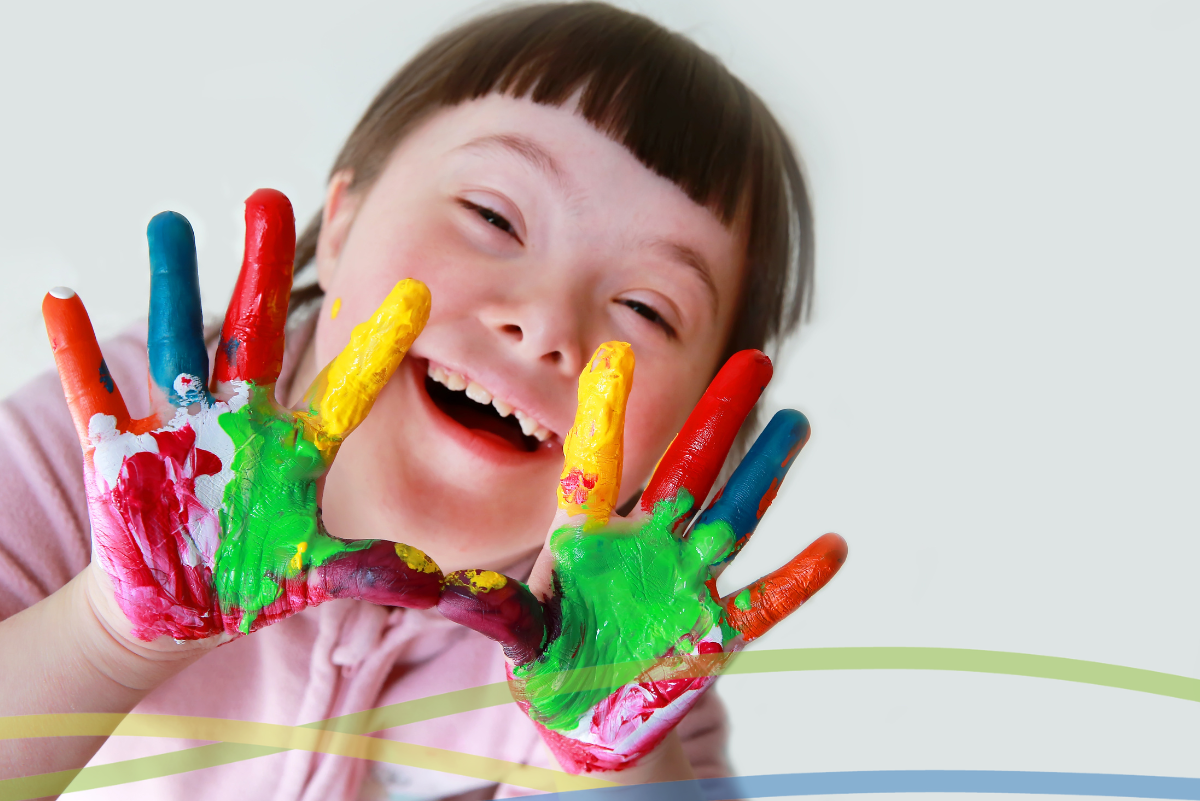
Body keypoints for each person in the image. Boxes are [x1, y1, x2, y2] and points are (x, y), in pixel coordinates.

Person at [0, 4, 844, 799]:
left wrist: (606, 758)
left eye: (648, 310)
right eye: (493, 216)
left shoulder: (638, 663)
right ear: (341, 223)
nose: (546, 322)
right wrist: (109, 635)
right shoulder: (124, 460)